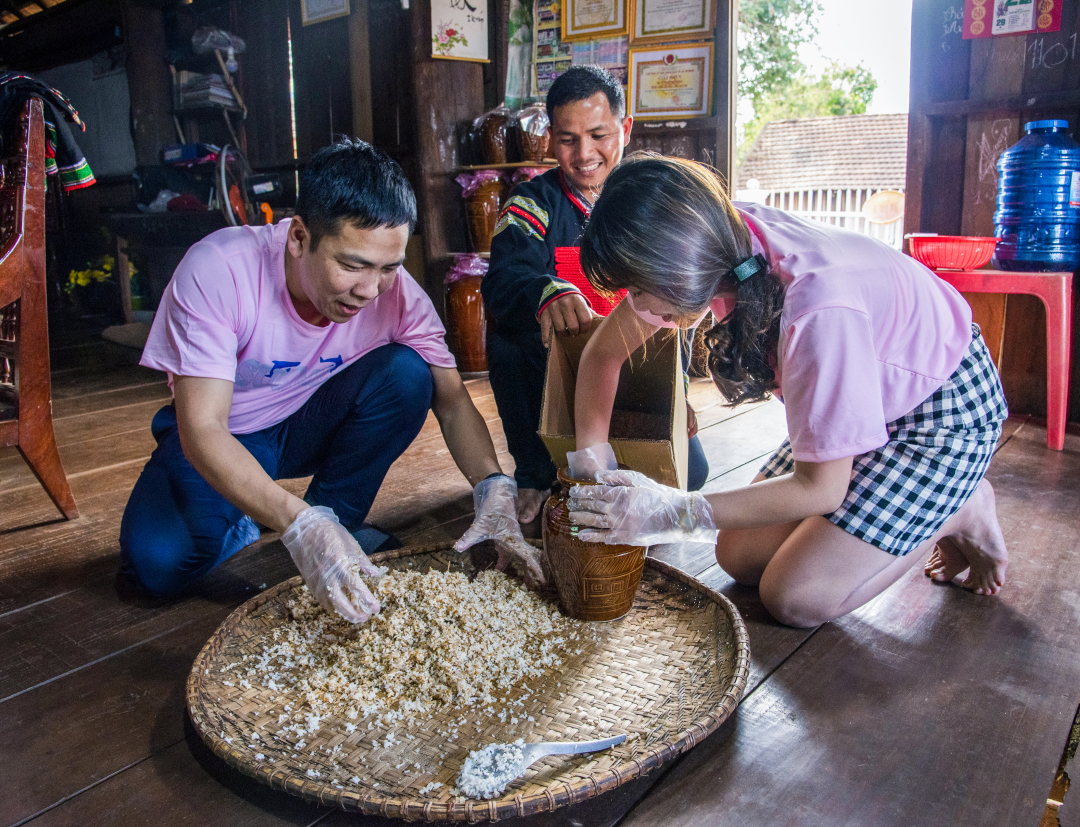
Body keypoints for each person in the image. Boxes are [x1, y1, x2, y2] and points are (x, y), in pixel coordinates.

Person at [565, 154, 1010, 628]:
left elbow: (820, 489)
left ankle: (959, 509)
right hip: (868, 396)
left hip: (937, 411)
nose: (633, 305)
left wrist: (673, 510)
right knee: (738, 556)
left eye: (636, 289)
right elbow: (602, 355)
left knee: (795, 597)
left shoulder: (816, 310)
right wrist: (594, 473)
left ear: (678, 273)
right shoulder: (711, 237)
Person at [120, 138, 541, 622]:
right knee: (159, 567)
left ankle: (334, 520)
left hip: (310, 422)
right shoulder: (220, 269)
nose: (369, 290)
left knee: (407, 374)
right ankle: (264, 517)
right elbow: (204, 428)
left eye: (389, 267)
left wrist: (493, 487)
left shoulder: (396, 294)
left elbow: (452, 402)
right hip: (226, 434)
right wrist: (294, 522)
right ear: (299, 237)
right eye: (351, 265)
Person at [482, 66, 709, 524]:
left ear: (624, 129)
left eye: (598, 135)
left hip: (631, 374)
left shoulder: (649, 202)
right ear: (550, 139)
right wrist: (546, 291)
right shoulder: (531, 203)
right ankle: (533, 470)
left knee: (694, 475)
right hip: (559, 382)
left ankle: (599, 466)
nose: (584, 154)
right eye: (567, 139)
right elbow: (505, 275)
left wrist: (678, 393)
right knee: (505, 331)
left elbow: (680, 308)